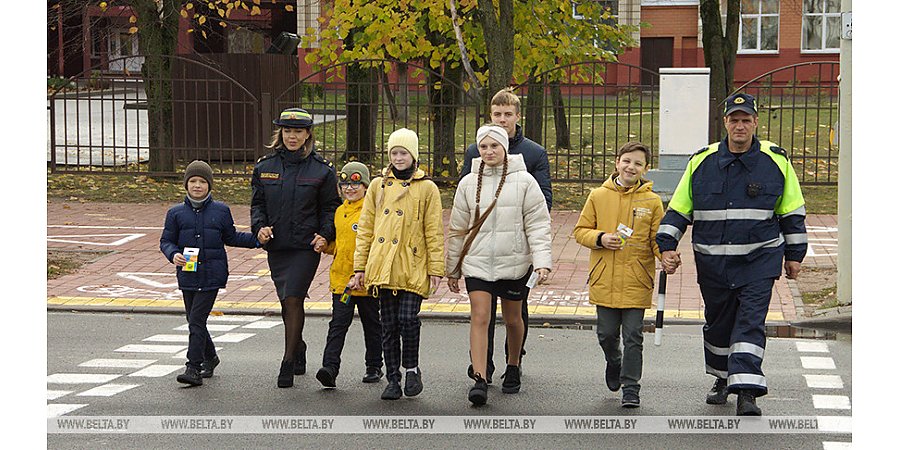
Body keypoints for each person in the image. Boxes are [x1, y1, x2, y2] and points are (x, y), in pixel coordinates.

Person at [656, 93, 807, 416]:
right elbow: (679, 210)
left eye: (746, 119)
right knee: (718, 324)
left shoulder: (777, 160)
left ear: (755, 122)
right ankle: (723, 379)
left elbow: (792, 212)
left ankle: (747, 390)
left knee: (750, 323)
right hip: (714, 263)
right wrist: (667, 246)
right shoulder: (702, 161)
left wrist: (795, 255)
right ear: (725, 122)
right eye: (734, 119)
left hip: (759, 260)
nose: (740, 125)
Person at [446, 125, 552, 406]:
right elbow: (458, 228)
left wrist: (542, 262)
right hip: (477, 262)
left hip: (514, 262)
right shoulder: (468, 182)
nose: (489, 152)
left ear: (505, 148)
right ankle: (480, 378)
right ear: (477, 150)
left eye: (495, 146)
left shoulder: (525, 181)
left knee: (513, 318)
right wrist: (453, 267)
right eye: (483, 147)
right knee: (480, 316)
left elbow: (538, 224)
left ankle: (513, 364)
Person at [349, 128, 445, 401]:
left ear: (413, 155)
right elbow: (366, 228)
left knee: (407, 319)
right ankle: (392, 378)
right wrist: (360, 267)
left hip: (412, 263)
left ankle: (411, 368)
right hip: (382, 264)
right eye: (394, 153)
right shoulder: (378, 187)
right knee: (388, 324)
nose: (399, 158)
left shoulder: (427, 188)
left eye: (403, 153)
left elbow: (434, 230)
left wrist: (436, 268)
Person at [251, 108, 342, 388]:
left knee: (293, 298)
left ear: (308, 134)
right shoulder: (264, 167)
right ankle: (299, 346)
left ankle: (287, 361)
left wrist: (325, 235)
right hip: (277, 245)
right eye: (288, 131)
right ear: (280, 133)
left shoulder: (322, 169)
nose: (292, 136)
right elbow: (258, 205)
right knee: (285, 301)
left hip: (305, 246)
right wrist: (259, 227)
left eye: (298, 131)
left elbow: (330, 208)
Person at [573, 142, 666, 408]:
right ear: (617, 162)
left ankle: (631, 387)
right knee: (606, 334)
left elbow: (656, 240)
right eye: (627, 161)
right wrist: (600, 238)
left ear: (645, 169)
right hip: (605, 278)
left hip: (637, 279)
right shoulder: (598, 196)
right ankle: (614, 361)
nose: (631, 167)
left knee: (634, 335)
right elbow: (581, 230)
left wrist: (666, 255)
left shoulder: (652, 201)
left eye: (638, 163)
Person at [160, 160, 260, 387]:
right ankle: (211, 357)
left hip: (212, 274)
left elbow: (231, 237)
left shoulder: (221, 211)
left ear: (209, 185)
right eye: (193, 181)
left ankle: (192, 368)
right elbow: (166, 240)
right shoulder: (175, 213)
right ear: (186, 185)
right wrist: (172, 253)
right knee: (194, 320)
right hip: (187, 274)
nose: (197, 186)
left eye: (202, 182)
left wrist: (258, 240)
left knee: (196, 319)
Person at [311, 162, 384, 388]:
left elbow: (374, 246)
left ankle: (374, 366)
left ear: (365, 187)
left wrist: (363, 273)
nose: (349, 189)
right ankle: (330, 368)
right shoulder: (340, 212)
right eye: (344, 184)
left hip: (365, 281)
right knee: (338, 324)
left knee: (372, 324)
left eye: (356, 184)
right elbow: (342, 244)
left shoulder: (372, 212)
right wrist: (326, 245)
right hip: (342, 282)